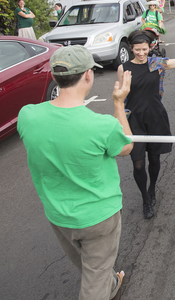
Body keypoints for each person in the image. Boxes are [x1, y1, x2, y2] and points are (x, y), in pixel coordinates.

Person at [18, 45, 134, 300]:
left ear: (55, 75)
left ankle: (110, 283)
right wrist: (118, 102)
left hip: (57, 214)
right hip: (98, 217)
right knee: (93, 283)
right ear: (88, 75)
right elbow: (126, 147)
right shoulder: (100, 125)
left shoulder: (27, 116)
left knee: (88, 264)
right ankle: (104, 284)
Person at [118, 30, 175, 219]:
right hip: (134, 120)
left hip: (156, 117)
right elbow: (121, 97)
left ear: (151, 47)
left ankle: (152, 189)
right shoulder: (124, 68)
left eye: (144, 49)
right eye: (137, 50)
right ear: (131, 49)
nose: (141, 53)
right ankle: (145, 199)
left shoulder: (156, 63)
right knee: (139, 164)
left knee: (155, 160)